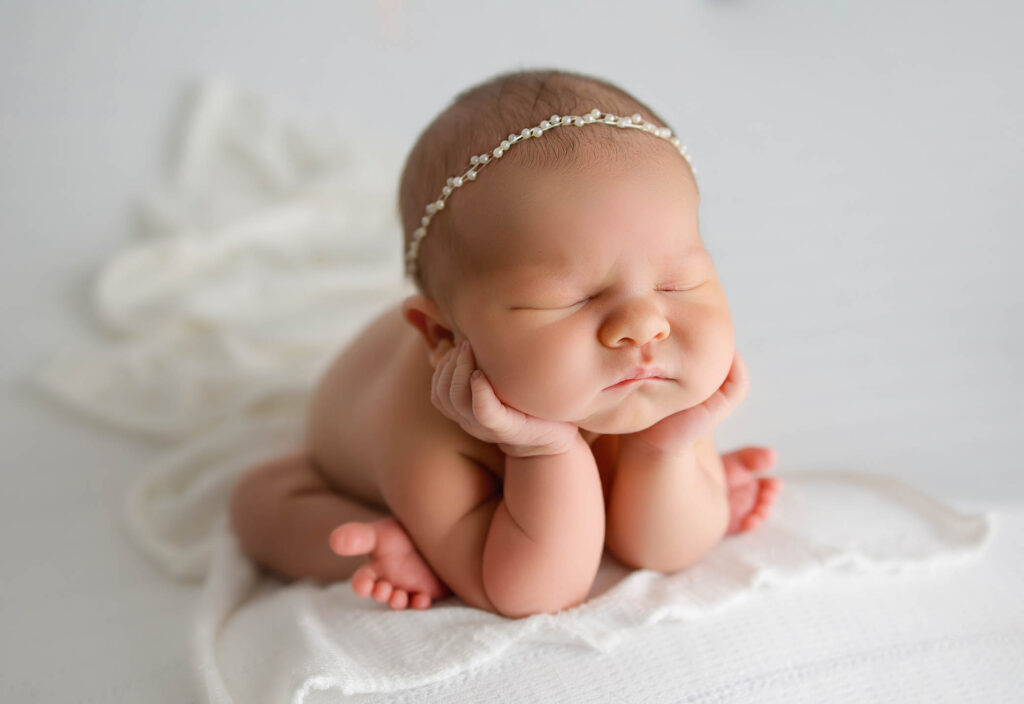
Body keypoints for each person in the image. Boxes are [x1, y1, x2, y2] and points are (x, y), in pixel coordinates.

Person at [230, 68, 782, 618]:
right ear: (445, 337)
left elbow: (661, 552)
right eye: (572, 298)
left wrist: (665, 450)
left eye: (677, 283)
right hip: (351, 452)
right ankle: (397, 548)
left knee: (650, 495)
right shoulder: (427, 435)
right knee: (259, 503)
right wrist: (543, 451)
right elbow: (533, 591)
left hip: (544, 386)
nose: (644, 324)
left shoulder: (645, 379)